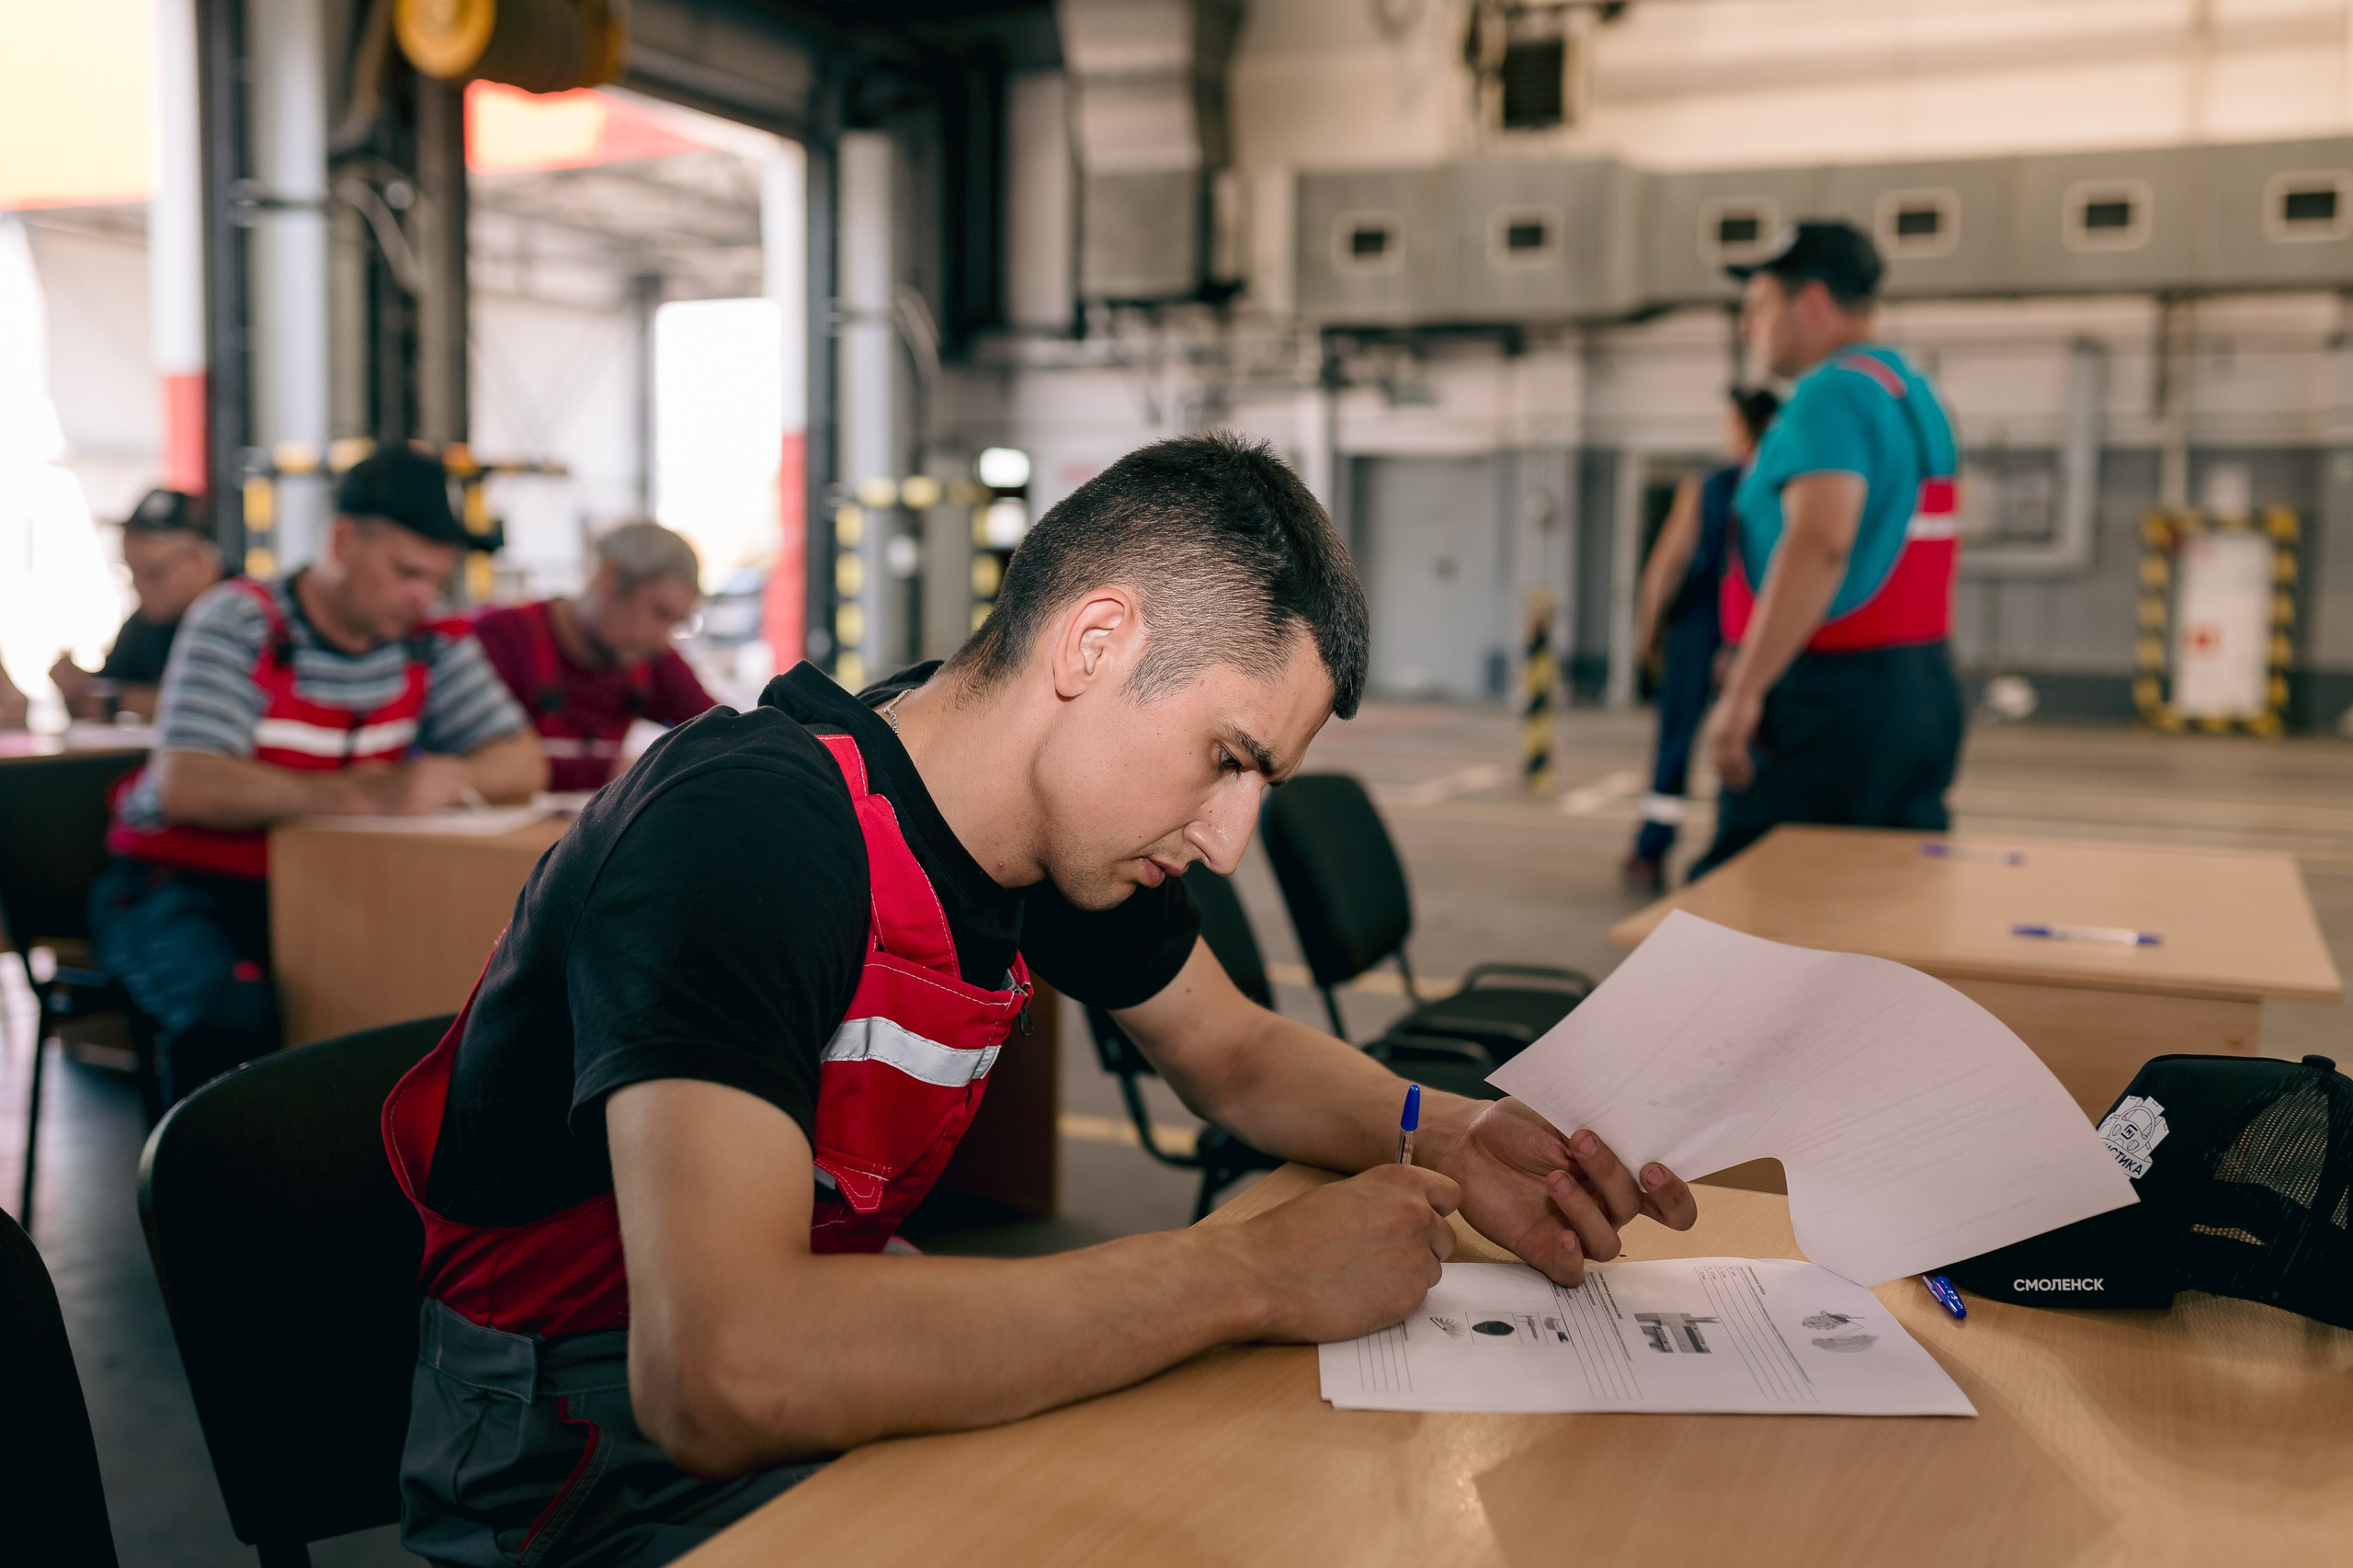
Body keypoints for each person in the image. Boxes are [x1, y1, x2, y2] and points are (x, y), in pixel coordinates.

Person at [382, 432, 1699, 1567]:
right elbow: (725, 1370)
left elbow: (1233, 1052)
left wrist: (1456, 1135)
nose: (1229, 841)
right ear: (1097, 641)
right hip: (577, 1434)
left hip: (813, 1324)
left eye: (1263, 786)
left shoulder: (1055, 829)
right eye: (1226, 758)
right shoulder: (749, 830)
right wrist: (1241, 1272)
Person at [92, 448, 546, 1105]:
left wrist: (445, 778)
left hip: (330, 884)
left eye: (436, 580)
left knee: (431, 1003)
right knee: (233, 1020)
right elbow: (187, 782)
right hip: (181, 887)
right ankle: (209, 1198)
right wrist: (369, 794)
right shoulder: (239, 620)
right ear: (341, 541)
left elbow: (520, 759)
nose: (423, 596)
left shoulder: (430, 639)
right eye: (406, 573)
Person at [1689, 221, 1963, 881]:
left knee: (1744, 901)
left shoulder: (1828, 394)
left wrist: (1745, 692)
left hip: (1833, 698)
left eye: (1757, 308)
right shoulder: (1912, 392)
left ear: (1809, 303)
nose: (1749, 329)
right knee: (1878, 905)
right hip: (1920, 685)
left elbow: (1821, 542)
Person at [1622, 387, 1779, 892]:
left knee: (1677, 737)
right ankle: (1752, 845)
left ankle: (1652, 847)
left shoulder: (1709, 484)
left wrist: (1647, 629)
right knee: (1755, 736)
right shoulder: (1788, 484)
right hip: (1763, 624)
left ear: (1739, 425)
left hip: (1700, 625)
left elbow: (1667, 564)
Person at [473, 520, 715, 791]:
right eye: (660, 613)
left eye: (676, 623)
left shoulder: (652, 659)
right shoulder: (499, 639)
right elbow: (474, 765)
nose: (663, 639)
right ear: (609, 578)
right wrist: (620, 770)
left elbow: (725, 735)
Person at [51, 488, 227, 723]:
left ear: (199, 561)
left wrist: (121, 700)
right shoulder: (146, 621)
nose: (138, 585)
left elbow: (223, 708)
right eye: (130, 570)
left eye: (152, 573)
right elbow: (104, 695)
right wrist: (77, 691)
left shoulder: (250, 616)